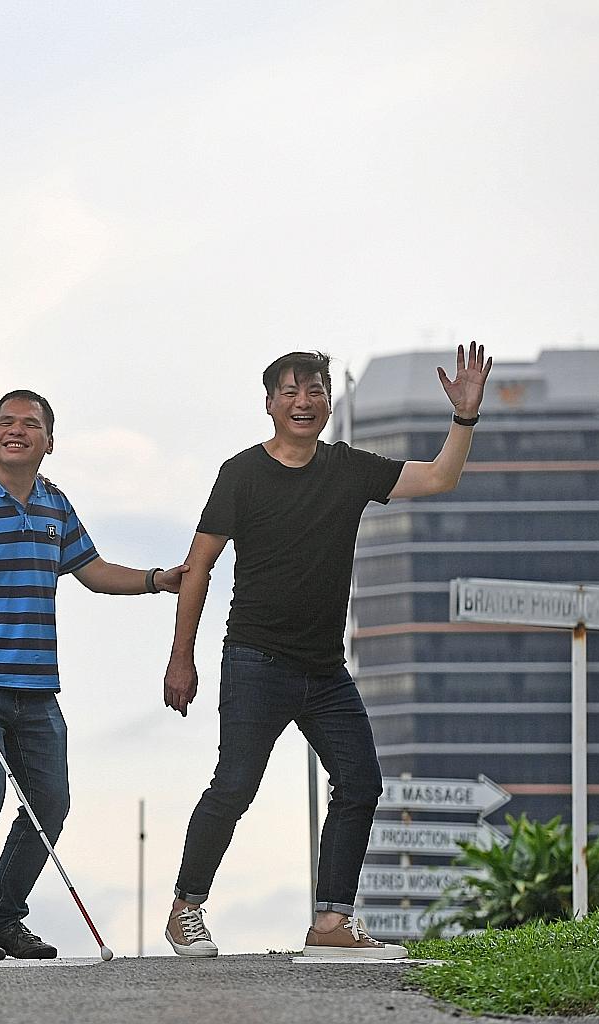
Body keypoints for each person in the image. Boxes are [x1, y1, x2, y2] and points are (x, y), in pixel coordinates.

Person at [163, 344, 492, 959]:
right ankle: (186, 909)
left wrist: (465, 417)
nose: (303, 401)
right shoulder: (241, 473)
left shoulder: (348, 468)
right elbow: (198, 566)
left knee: (361, 781)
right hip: (255, 659)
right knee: (234, 785)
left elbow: (438, 477)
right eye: (290, 391)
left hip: (324, 670)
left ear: (328, 402)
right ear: (269, 404)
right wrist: (182, 657)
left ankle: (332, 923)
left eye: (314, 390)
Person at [0, 390, 186, 960]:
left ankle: (3, 920)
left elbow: (94, 571)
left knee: (50, 803)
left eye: (30, 424)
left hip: (36, 687)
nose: (17, 431)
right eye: (6, 422)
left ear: (49, 441)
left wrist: (157, 580)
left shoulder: (55, 505)